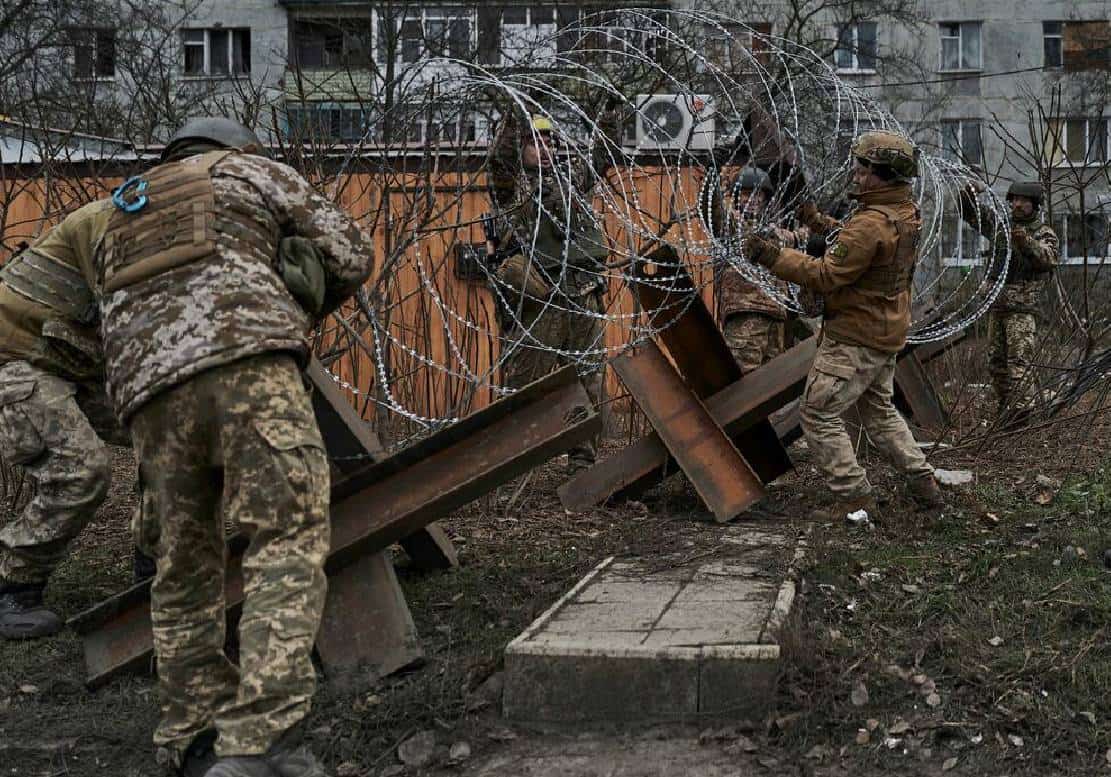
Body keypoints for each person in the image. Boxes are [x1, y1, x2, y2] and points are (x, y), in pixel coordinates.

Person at [75, 117, 374, 777]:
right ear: (234, 147)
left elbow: (108, 316)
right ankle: (255, 741)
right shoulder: (247, 171)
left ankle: (191, 740)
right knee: (285, 537)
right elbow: (352, 253)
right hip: (248, 363)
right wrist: (302, 297)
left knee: (182, 565)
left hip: (147, 394)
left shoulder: (120, 211)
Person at [746, 130, 944, 519]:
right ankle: (925, 484)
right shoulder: (902, 211)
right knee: (880, 414)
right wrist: (817, 220)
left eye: (863, 168)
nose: (855, 172)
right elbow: (857, 245)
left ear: (883, 174)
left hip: (854, 337)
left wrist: (772, 256)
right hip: (884, 331)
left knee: (818, 413)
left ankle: (854, 498)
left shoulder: (870, 224)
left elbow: (826, 274)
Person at [0, 218, 128, 639]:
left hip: (67, 359)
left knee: (168, 429)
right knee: (81, 469)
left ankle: (156, 556)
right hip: (14, 356)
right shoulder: (115, 219)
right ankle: (13, 584)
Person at [486, 113, 610, 474]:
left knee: (588, 379)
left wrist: (612, 116)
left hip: (581, 291)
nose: (542, 149)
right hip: (540, 298)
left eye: (548, 142)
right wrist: (515, 117)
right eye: (533, 142)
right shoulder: (512, 189)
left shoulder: (570, 181)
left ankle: (582, 462)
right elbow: (501, 161)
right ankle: (513, 463)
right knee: (527, 384)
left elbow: (602, 158)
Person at [959, 180, 1058, 414]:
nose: (1017, 205)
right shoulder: (1001, 226)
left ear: (1034, 204)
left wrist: (1024, 241)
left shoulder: (1043, 232)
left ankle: (1022, 414)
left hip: (1021, 311)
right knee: (997, 364)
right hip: (997, 306)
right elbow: (971, 214)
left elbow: (1048, 259)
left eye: (1023, 201)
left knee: (1019, 364)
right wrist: (968, 193)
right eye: (1014, 200)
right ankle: (1007, 410)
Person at [717, 166, 800, 372]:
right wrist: (712, 177)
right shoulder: (732, 225)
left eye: (759, 194)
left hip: (776, 316)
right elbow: (712, 209)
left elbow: (802, 241)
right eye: (747, 193)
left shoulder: (776, 233)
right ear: (737, 197)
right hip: (746, 313)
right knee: (745, 377)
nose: (753, 199)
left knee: (771, 383)